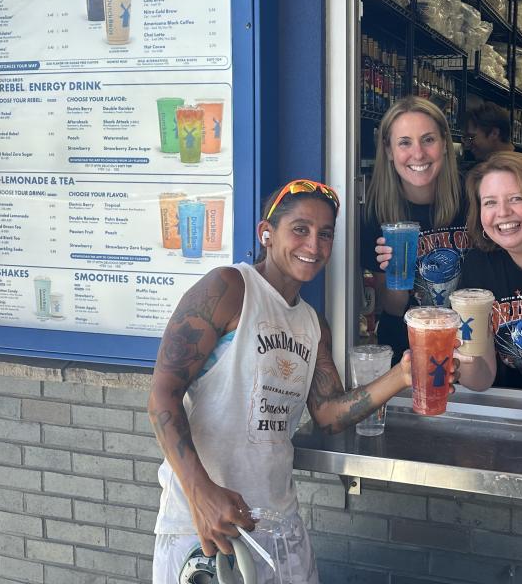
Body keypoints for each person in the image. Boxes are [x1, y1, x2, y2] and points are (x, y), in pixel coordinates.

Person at [149, 179, 455, 584]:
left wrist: (402, 375)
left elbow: (327, 414)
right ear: (266, 233)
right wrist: (200, 494)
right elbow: (162, 398)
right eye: (300, 229)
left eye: (324, 233)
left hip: (279, 524)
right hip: (205, 525)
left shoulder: (312, 325)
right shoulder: (228, 288)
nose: (314, 245)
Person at [362, 96, 469, 360]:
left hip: (466, 345)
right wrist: (396, 273)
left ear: (445, 144)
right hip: (408, 351)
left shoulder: (472, 198)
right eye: (405, 143)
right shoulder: (376, 213)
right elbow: (395, 308)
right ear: (388, 151)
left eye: (428, 139)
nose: (418, 153)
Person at [458, 152, 522, 390]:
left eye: (516, 198)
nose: (502, 212)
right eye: (490, 202)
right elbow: (480, 380)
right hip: (512, 406)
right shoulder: (478, 266)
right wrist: (464, 352)